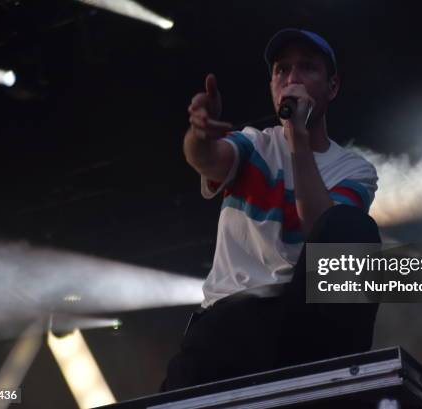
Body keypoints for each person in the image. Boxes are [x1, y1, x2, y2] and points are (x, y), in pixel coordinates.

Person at [161, 29, 381, 391]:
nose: (292, 78)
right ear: (272, 86)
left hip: (297, 323)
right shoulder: (254, 143)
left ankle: (341, 373)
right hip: (228, 323)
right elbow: (208, 159)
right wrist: (199, 133)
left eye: (307, 68)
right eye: (282, 70)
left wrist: (298, 137)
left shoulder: (354, 170)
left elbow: (324, 231)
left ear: (333, 86)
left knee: (354, 228)